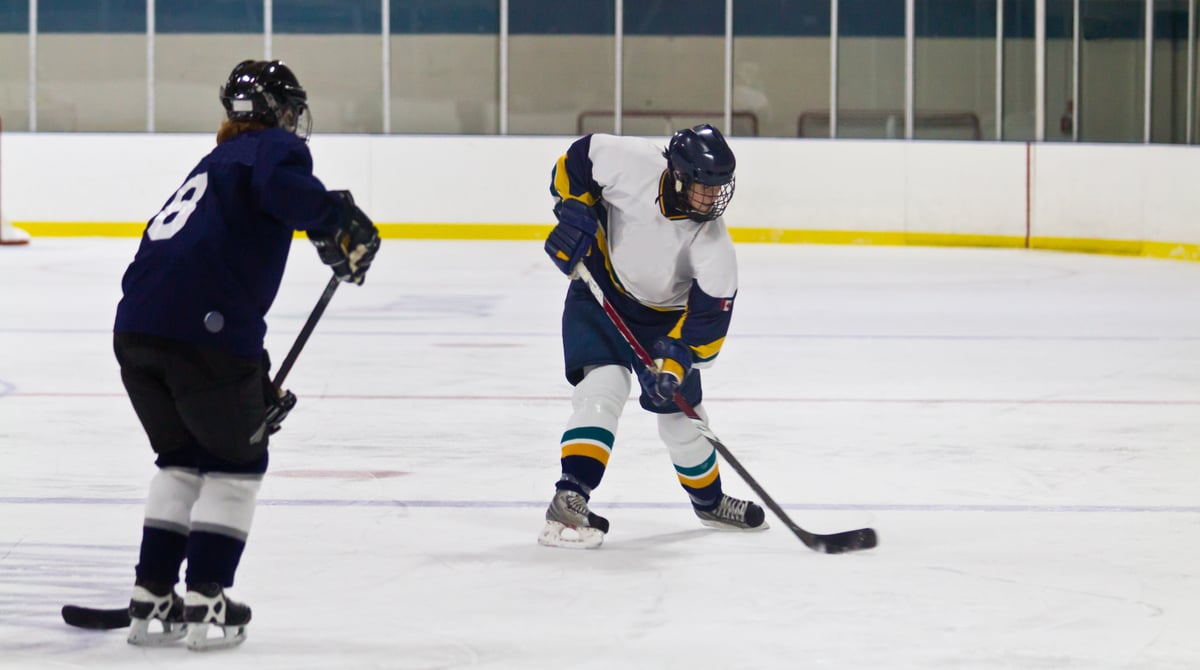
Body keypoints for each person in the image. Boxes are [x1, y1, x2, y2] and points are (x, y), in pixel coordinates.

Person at [112, 59, 380, 650]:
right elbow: (287, 193)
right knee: (235, 468)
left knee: (181, 459)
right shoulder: (273, 153)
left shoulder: (217, 162)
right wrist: (337, 221)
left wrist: (249, 373)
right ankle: (207, 597)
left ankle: (152, 593)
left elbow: (202, 266)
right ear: (279, 113)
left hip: (137, 333)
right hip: (200, 337)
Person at [538, 123, 768, 549]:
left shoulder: (714, 246)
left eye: (719, 189)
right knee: (603, 387)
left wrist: (677, 360)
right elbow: (573, 166)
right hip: (600, 288)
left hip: (665, 323)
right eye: (703, 188)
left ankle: (710, 503)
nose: (712, 199)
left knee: (683, 418)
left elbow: (708, 330)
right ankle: (570, 495)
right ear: (677, 175)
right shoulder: (628, 162)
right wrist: (573, 211)